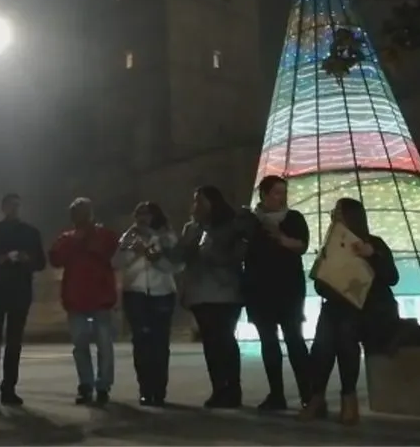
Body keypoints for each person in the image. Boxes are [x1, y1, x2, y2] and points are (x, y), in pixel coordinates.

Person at [300, 198, 399, 425]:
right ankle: (317, 397)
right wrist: (324, 268)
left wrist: (371, 254)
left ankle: (348, 397)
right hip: (336, 306)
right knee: (322, 344)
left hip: (367, 309)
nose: (333, 218)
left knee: (345, 337)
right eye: (333, 213)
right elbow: (319, 286)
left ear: (352, 217)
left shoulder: (374, 243)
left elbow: (392, 278)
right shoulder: (331, 245)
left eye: (338, 213)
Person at [242, 175, 312, 411]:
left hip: (288, 288)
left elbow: (302, 245)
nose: (281, 197)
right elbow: (243, 250)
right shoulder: (251, 221)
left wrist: (281, 238)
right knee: (268, 341)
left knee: (294, 339)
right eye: (276, 193)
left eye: (284, 192)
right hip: (259, 289)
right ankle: (276, 394)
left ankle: (308, 394)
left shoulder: (293, 218)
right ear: (263, 194)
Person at [0, 193, 46, 409]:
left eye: (17, 205)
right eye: (10, 205)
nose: (14, 209)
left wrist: (26, 259)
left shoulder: (30, 233)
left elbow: (41, 262)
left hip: (20, 292)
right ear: (3, 207)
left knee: (14, 343)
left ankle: (9, 389)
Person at [180, 186, 246, 409]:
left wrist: (213, 252)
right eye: (195, 201)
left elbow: (237, 256)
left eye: (200, 201)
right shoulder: (191, 228)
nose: (196, 205)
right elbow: (182, 257)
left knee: (225, 339)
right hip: (200, 292)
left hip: (226, 291)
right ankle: (218, 388)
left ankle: (233, 388)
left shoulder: (229, 226)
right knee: (210, 342)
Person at [48, 197, 118, 406]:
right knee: (80, 346)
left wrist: (85, 239)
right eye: (76, 213)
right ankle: (86, 385)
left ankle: (103, 385)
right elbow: (55, 258)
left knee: (104, 346)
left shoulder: (104, 235)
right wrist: (75, 240)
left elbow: (108, 250)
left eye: (84, 212)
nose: (80, 216)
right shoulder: (67, 238)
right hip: (76, 300)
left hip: (100, 299)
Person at [112, 201, 182, 407]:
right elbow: (116, 262)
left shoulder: (167, 237)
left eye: (147, 214)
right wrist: (134, 251)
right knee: (141, 342)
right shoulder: (128, 237)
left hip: (162, 293)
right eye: (138, 214)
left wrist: (150, 253)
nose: (142, 219)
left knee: (159, 344)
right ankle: (145, 389)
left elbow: (175, 266)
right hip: (135, 294)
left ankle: (159, 390)